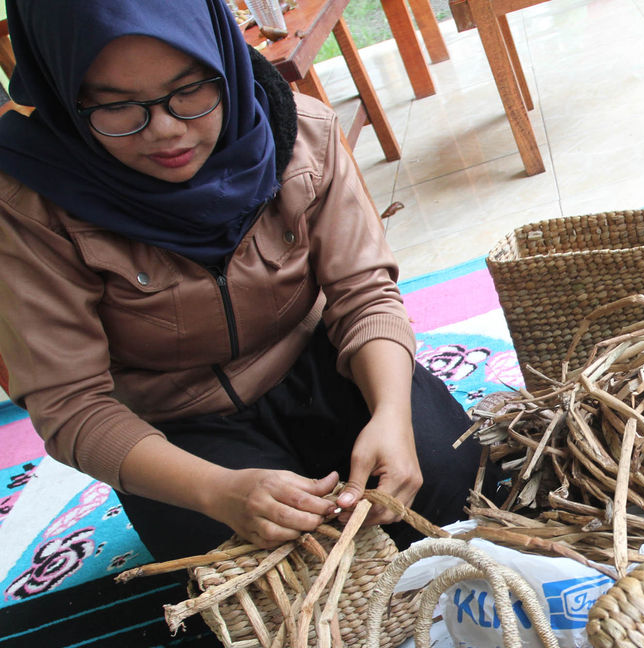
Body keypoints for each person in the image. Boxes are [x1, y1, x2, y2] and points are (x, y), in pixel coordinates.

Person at [0, 0, 483, 562]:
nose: (165, 130)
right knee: (268, 572)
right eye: (117, 108)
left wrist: (391, 416)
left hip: (315, 366)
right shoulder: (26, 204)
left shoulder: (301, 134)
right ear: (63, 97)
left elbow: (364, 294)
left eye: (191, 91)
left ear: (224, 60)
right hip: (177, 423)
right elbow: (72, 406)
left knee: (445, 475)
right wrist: (218, 491)